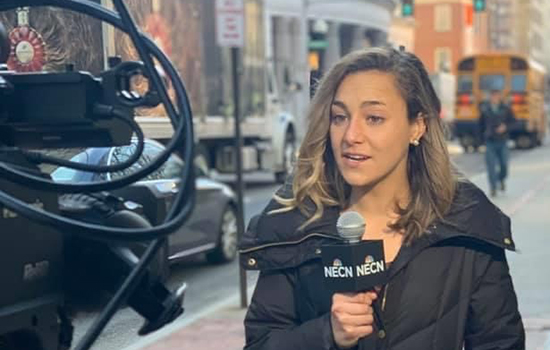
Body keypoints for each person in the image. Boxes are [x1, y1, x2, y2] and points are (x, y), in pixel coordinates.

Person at [239, 47, 524, 350]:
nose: (351, 135)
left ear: (417, 126)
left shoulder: (467, 225)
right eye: (339, 117)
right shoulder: (293, 225)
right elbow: (261, 342)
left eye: (373, 118)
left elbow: (500, 343)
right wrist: (327, 333)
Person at [478, 89, 516, 197]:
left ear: (499, 97)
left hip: (503, 141)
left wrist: (506, 127)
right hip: (490, 141)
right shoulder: (485, 109)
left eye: (496, 96)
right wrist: (480, 141)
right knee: (491, 166)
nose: (494, 98)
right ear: (490, 97)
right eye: (492, 96)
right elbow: (480, 125)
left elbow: (514, 122)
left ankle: (501, 179)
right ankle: (493, 188)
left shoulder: (506, 109)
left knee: (504, 165)